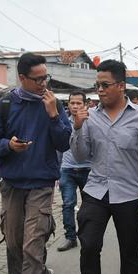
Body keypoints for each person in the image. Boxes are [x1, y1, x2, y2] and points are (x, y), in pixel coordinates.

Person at [0, 52, 72, 274]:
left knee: (33, 245)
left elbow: (64, 144)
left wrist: (54, 115)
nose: (43, 83)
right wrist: (9, 145)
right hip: (11, 184)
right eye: (38, 78)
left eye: (46, 77)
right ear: (22, 78)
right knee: (13, 242)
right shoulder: (6, 105)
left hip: (42, 184)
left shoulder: (54, 103)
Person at [70, 59, 138, 274]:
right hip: (96, 190)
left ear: (121, 86)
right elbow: (81, 156)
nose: (100, 90)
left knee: (129, 249)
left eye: (105, 85)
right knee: (89, 246)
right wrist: (77, 127)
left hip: (130, 193)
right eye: (97, 85)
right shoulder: (90, 116)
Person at [57, 91, 92, 252]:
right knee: (68, 204)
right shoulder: (62, 122)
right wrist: (57, 170)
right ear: (68, 104)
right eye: (72, 103)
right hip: (67, 169)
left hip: (88, 170)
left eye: (79, 103)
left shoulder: (92, 121)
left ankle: (86, 236)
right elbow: (58, 147)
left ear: (85, 104)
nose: (75, 106)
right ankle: (70, 237)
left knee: (89, 207)